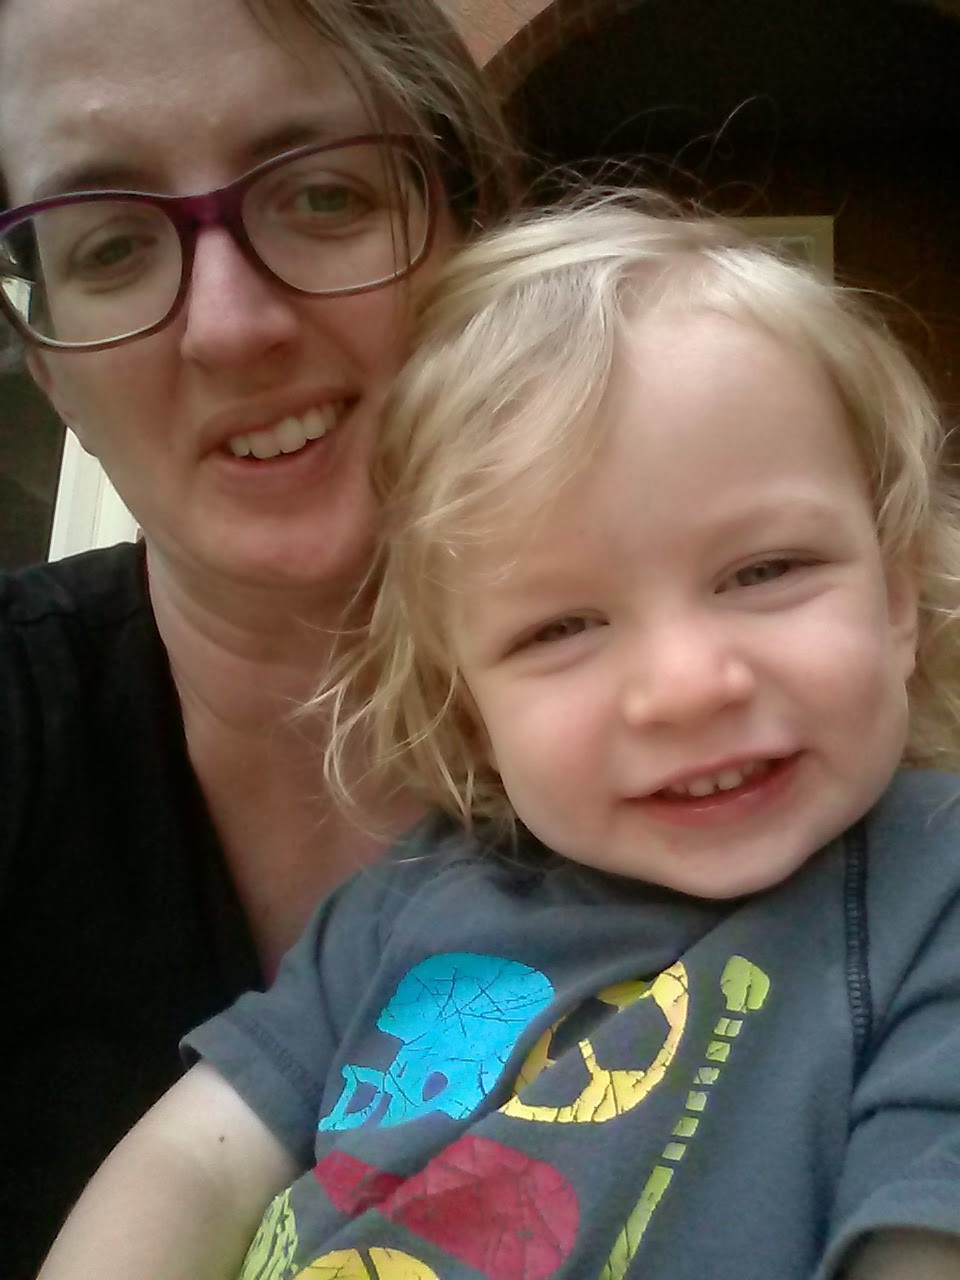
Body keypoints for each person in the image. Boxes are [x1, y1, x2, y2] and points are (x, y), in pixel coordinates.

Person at [36, 200, 960, 1279]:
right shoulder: (408, 899)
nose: (685, 687)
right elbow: (191, 1162)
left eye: (766, 570)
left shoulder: (930, 890)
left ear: (897, 599)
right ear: (470, 707)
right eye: (560, 628)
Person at [0, 0, 519, 1275]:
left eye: (325, 194)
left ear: (474, 239)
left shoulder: (750, 715)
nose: (233, 326)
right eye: (111, 244)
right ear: (52, 371)